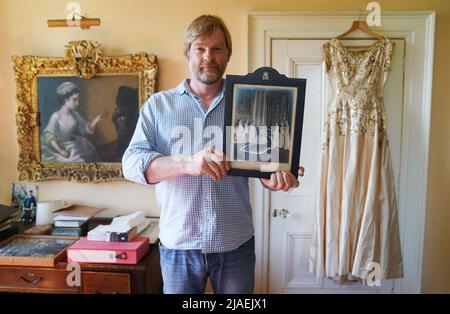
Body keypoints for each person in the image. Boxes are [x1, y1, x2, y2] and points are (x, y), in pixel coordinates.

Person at [122, 15, 305, 294]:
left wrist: (272, 176)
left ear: (228, 54)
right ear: (187, 53)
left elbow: (263, 158)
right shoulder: (158, 106)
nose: (209, 57)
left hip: (235, 244)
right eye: (200, 49)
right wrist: (187, 163)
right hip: (179, 244)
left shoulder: (252, 101)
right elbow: (132, 164)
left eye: (217, 49)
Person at [40, 81, 106, 162]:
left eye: (78, 99)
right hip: (57, 149)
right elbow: (49, 136)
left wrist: (96, 120)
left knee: (80, 161)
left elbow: (85, 129)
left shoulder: (75, 115)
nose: (77, 103)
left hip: (72, 146)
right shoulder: (56, 116)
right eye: (74, 99)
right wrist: (61, 151)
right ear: (65, 99)